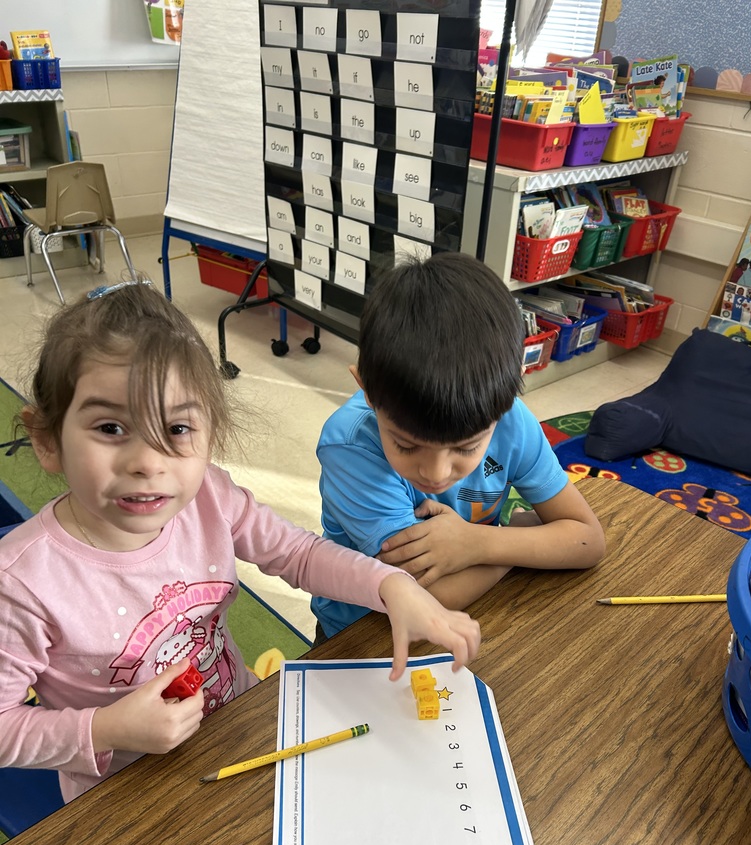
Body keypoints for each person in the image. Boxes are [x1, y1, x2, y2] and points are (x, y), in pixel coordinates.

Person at [0, 281, 480, 802]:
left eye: (178, 428)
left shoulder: (209, 496)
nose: (147, 461)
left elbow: (297, 553)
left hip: (237, 728)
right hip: (123, 796)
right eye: (111, 427)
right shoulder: (22, 585)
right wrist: (106, 730)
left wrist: (391, 585)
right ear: (47, 440)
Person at [312, 252, 606, 640]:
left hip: (477, 612)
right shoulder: (351, 448)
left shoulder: (512, 420)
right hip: (360, 636)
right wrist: (512, 545)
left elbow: (588, 540)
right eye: (405, 444)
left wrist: (477, 543)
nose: (435, 473)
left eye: (466, 449)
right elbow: (424, 598)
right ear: (365, 389)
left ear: (509, 394)